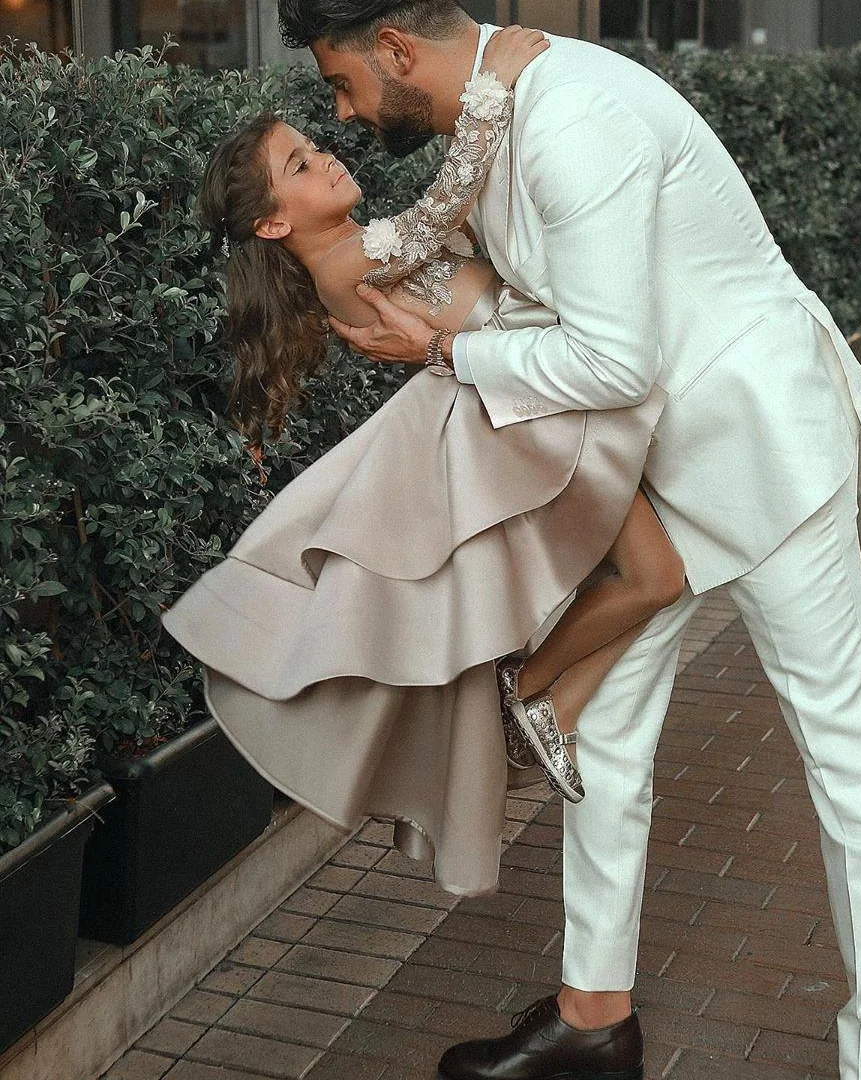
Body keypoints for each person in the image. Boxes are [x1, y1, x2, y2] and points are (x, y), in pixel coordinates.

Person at [277, 2, 861, 1080]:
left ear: (395, 51)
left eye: (343, 84)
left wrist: (443, 357)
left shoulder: (571, 115)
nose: (341, 110)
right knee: (609, 738)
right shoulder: (488, 113)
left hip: (759, 450)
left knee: (849, 755)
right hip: (640, 474)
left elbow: (613, 360)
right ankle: (592, 1025)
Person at [163, 23, 687, 905]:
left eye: (312, 145)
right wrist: (493, 91)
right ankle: (538, 696)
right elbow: (441, 211)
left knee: (657, 576)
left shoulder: (355, 246)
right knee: (657, 576)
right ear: (273, 222)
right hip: (519, 414)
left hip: (529, 399)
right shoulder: (345, 263)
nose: (325, 154)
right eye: (299, 164)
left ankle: (540, 698)